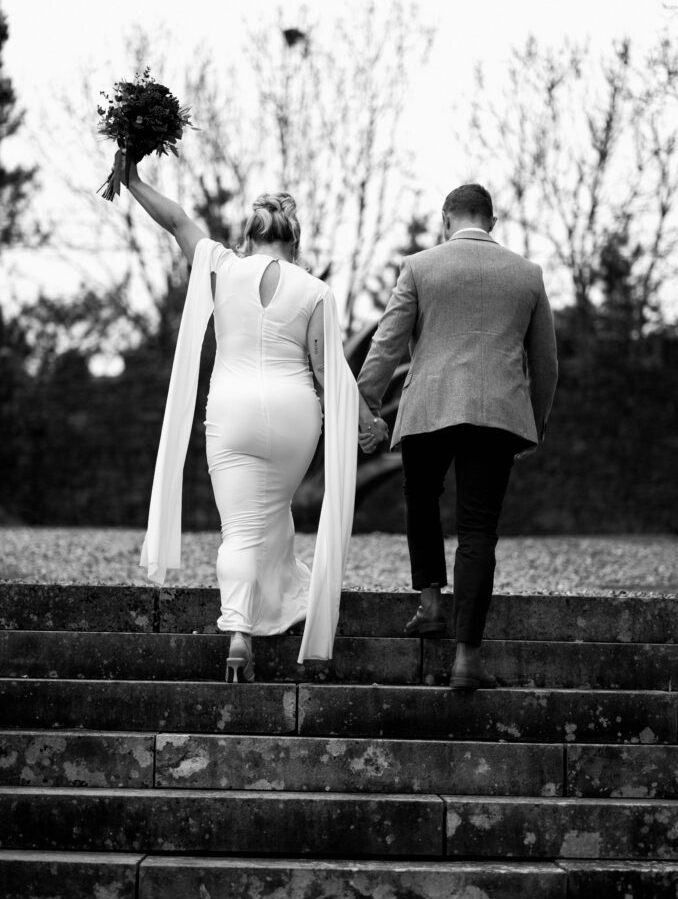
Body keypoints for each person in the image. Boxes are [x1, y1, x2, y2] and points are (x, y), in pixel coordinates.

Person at [121, 150, 388, 679]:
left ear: (248, 236)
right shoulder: (315, 290)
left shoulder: (222, 267)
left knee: (241, 527)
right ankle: (278, 602)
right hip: (294, 417)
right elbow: (328, 368)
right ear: (294, 242)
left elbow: (175, 219)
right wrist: (367, 423)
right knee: (272, 509)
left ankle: (239, 628)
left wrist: (130, 177)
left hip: (232, 410)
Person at [358, 183, 558, 690]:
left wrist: (365, 404)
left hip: (427, 406)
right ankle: (467, 660)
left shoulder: (420, 267)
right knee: (477, 530)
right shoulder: (527, 275)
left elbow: (386, 344)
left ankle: (429, 605)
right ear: (490, 222)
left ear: (446, 219)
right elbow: (546, 366)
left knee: (420, 498)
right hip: (497, 415)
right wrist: (530, 425)